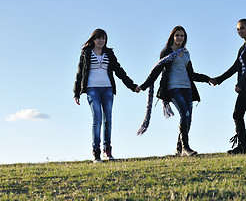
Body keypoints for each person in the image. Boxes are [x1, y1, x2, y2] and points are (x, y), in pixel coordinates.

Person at [138, 26, 211, 156]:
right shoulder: (167, 52)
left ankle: (179, 149)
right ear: (172, 37)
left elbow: (192, 74)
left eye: (182, 36)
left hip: (187, 88)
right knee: (185, 113)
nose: (179, 38)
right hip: (173, 88)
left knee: (188, 117)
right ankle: (186, 148)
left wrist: (207, 79)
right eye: (177, 35)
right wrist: (143, 86)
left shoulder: (186, 53)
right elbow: (156, 70)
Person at [73, 28, 140, 163]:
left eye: (103, 38)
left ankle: (107, 150)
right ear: (93, 39)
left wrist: (132, 86)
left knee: (107, 120)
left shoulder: (109, 53)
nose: (101, 41)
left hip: (107, 89)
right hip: (92, 89)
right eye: (98, 38)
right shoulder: (86, 53)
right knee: (97, 119)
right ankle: (96, 152)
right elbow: (80, 72)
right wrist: (76, 92)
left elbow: (119, 71)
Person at [210, 18, 246, 155]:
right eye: (238, 29)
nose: (240, 31)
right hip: (244, 86)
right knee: (237, 114)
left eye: (242, 28)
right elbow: (235, 67)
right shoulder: (242, 48)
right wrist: (218, 80)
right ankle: (242, 148)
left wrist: (240, 83)